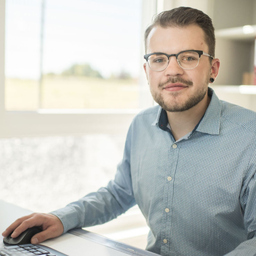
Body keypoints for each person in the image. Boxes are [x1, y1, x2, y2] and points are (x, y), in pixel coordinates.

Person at [3, 6, 256, 256]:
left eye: (188, 57)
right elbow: (119, 193)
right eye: (159, 59)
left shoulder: (249, 138)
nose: (172, 70)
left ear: (213, 69)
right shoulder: (140, 127)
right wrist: (61, 218)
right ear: (147, 72)